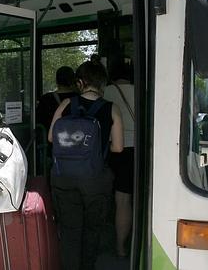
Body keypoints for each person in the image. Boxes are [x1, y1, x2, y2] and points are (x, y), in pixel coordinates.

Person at [48, 60, 124, 270]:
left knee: (70, 230)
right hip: (95, 179)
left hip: (63, 176)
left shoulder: (66, 105)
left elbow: (51, 137)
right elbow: (118, 148)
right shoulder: (111, 108)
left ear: (80, 82)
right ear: (102, 83)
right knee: (92, 230)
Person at [103, 59, 135, 258]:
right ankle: (130, 243)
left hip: (113, 150)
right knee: (131, 199)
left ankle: (118, 246)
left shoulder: (105, 93)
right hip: (138, 150)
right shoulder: (144, 90)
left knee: (119, 199)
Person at [36, 66, 77, 131]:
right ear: (73, 80)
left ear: (56, 80)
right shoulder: (79, 98)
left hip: (51, 138)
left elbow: (39, 121)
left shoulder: (46, 99)